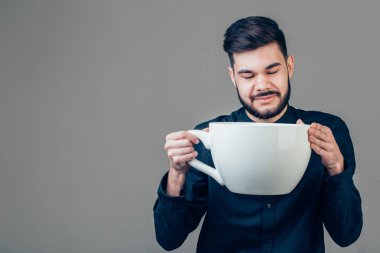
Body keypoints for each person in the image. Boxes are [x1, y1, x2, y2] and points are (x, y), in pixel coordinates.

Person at [153, 16, 363, 253]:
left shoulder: (327, 132)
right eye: (248, 75)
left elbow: (347, 235)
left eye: (272, 71)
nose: (262, 85)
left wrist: (336, 167)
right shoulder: (208, 137)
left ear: (289, 66)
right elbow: (169, 239)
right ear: (233, 77)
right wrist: (177, 174)